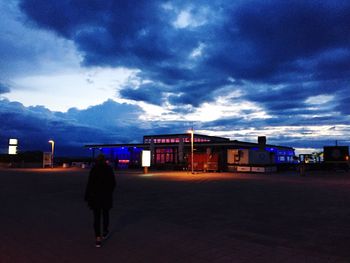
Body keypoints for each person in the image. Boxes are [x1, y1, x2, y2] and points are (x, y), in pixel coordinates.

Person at [85, 154, 116, 247]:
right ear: (104, 160)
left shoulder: (94, 169)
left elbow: (89, 183)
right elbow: (113, 183)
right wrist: (109, 192)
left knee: (96, 217)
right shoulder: (109, 169)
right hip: (106, 196)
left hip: (95, 197)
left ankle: (98, 238)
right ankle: (105, 231)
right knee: (106, 214)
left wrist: (87, 196)